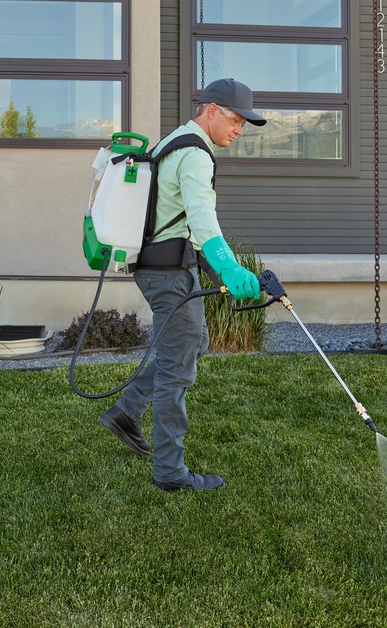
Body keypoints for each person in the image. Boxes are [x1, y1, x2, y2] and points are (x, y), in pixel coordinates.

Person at [99, 78, 266, 492]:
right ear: (211, 109)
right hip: (168, 272)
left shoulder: (175, 140)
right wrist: (229, 268)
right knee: (178, 369)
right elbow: (202, 217)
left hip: (163, 266)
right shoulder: (195, 154)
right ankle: (170, 472)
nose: (239, 130)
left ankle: (127, 410)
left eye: (244, 124)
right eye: (235, 119)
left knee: (190, 344)